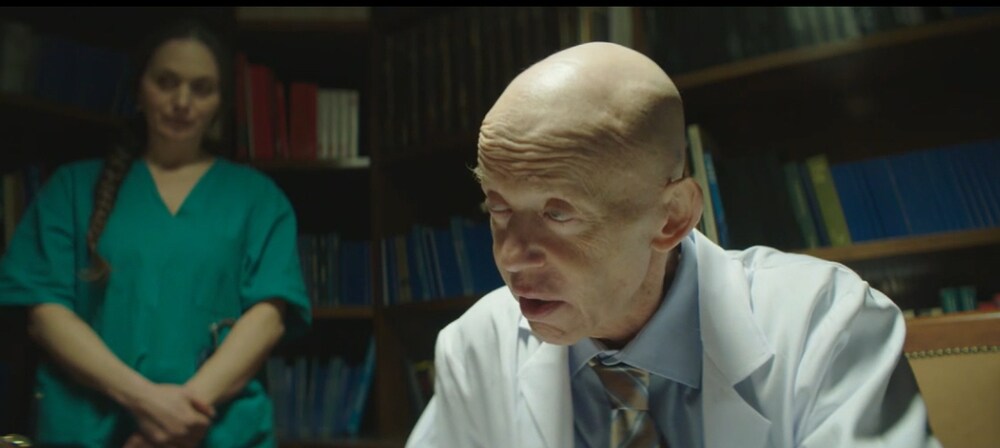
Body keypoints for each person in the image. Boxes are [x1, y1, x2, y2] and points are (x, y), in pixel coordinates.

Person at [405, 42, 940, 447]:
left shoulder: (827, 324)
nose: (510, 256)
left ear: (672, 217)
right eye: (499, 210)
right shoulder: (475, 346)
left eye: (557, 213)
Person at [0, 19, 311, 447]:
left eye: (202, 88)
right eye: (166, 82)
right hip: (91, 430)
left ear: (220, 103)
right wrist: (146, 402)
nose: (182, 101)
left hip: (214, 431)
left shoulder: (258, 200)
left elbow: (268, 318)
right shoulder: (71, 191)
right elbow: (45, 314)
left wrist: (179, 418)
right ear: (139, 89)